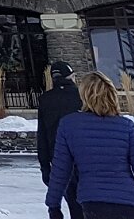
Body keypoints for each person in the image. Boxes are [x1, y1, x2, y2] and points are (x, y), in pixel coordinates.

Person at [47, 70, 134, 219]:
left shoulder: (69, 125)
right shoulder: (126, 127)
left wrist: (53, 206)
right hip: (130, 204)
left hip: (94, 204)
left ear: (84, 95)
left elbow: (60, 170)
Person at [38, 61, 84, 219]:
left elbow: (42, 137)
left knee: (74, 204)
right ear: (71, 76)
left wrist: (45, 167)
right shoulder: (82, 96)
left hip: (59, 160)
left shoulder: (45, 100)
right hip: (84, 157)